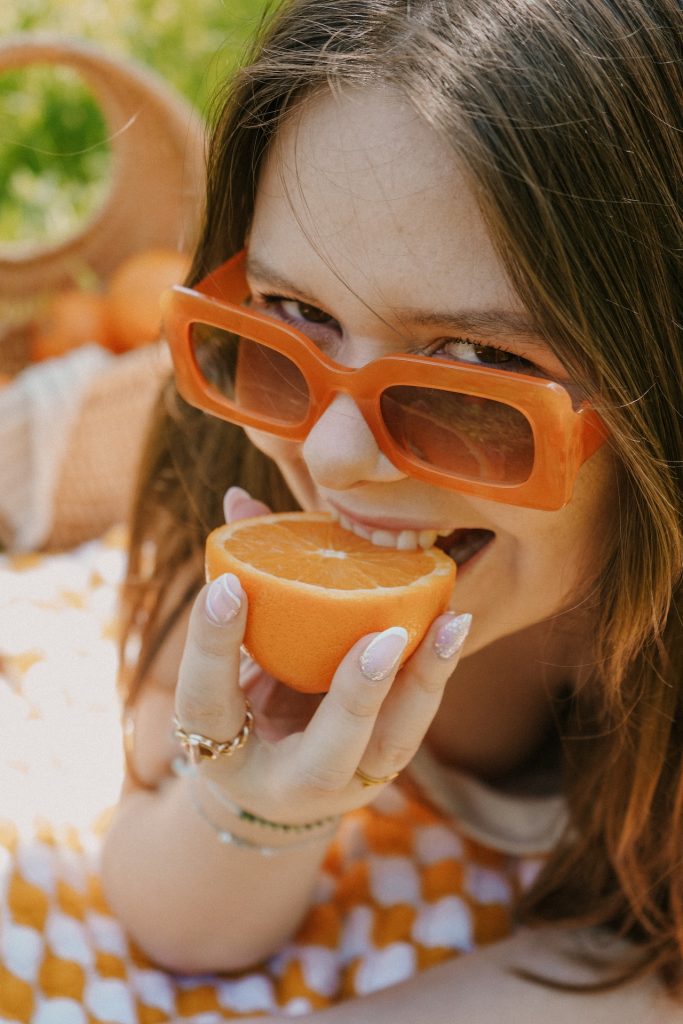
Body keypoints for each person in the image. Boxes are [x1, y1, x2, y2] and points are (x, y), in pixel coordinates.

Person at [101, 0, 682, 1018]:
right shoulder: (235, 434)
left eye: (475, 366)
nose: (330, 457)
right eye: (294, 312)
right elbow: (175, 918)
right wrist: (258, 808)